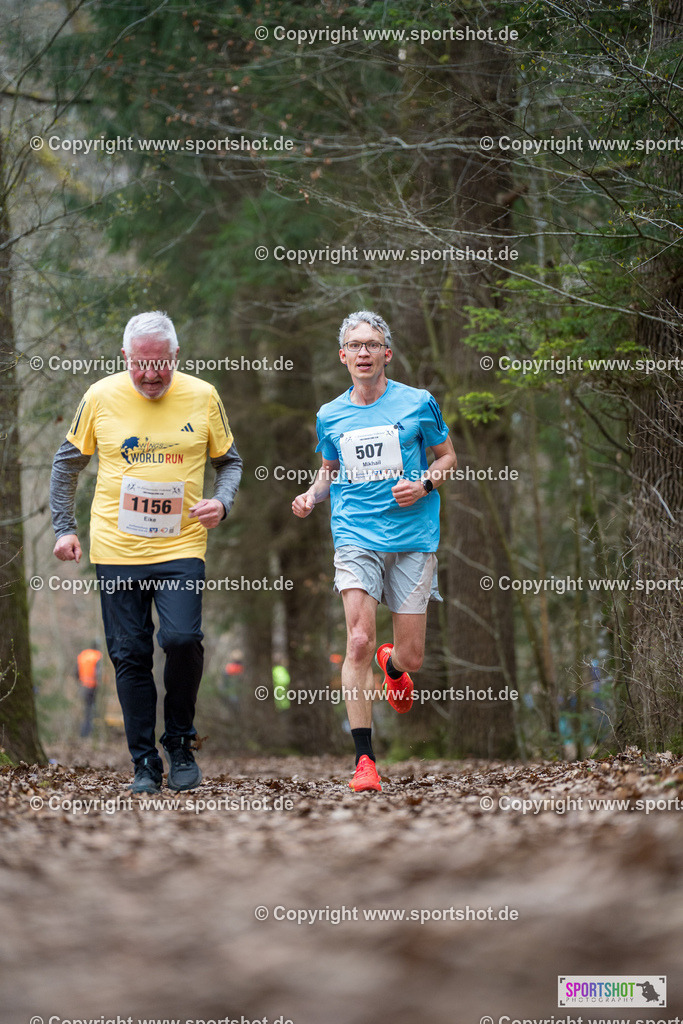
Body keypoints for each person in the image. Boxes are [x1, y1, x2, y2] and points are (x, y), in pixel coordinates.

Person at [50, 311, 242, 794]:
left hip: (180, 545)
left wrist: (222, 501)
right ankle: (143, 762)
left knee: (181, 640)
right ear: (125, 358)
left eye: (161, 363)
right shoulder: (100, 396)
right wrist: (63, 528)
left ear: (176, 356)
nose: (152, 374)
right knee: (129, 654)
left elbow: (230, 463)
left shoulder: (202, 395)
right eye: (141, 364)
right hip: (116, 548)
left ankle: (178, 743)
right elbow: (65, 465)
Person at [292, 310, 456, 792]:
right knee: (358, 640)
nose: (364, 352)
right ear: (343, 356)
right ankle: (364, 761)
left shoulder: (418, 403)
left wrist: (424, 483)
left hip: (412, 537)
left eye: (373, 344)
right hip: (355, 534)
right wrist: (310, 495)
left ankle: (393, 667)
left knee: (412, 657)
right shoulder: (330, 414)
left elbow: (448, 456)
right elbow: (329, 469)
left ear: (387, 353)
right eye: (355, 345)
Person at [76, 644, 102, 738]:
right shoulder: (97, 656)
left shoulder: (83, 655)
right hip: (93, 686)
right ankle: (89, 733)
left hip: (83, 685)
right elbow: (98, 672)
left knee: (87, 710)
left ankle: (84, 733)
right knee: (92, 710)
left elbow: (76, 671)